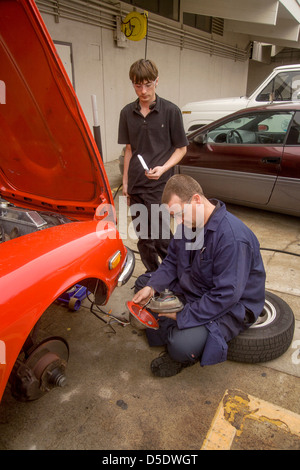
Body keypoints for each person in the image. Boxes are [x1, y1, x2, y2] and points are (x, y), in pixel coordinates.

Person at [132, 174, 266, 377]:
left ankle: (182, 340)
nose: (178, 221)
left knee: (180, 346)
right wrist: (153, 287)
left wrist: (182, 315)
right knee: (144, 283)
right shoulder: (188, 224)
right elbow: (173, 260)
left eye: (179, 214)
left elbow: (226, 295)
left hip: (230, 305)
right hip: (194, 287)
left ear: (196, 199)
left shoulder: (232, 238)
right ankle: (173, 322)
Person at [118, 59, 188, 272]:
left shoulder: (171, 111)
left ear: (157, 81)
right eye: (138, 85)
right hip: (137, 186)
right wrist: (126, 184)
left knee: (162, 237)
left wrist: (163, 168)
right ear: (133, 84)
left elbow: (181, 149)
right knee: (143, 239)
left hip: (161, 187)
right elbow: (129, 149)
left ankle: (173, 277)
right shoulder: (127, 113)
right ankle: (152, 275)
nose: (143, 90)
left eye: (148, 84)